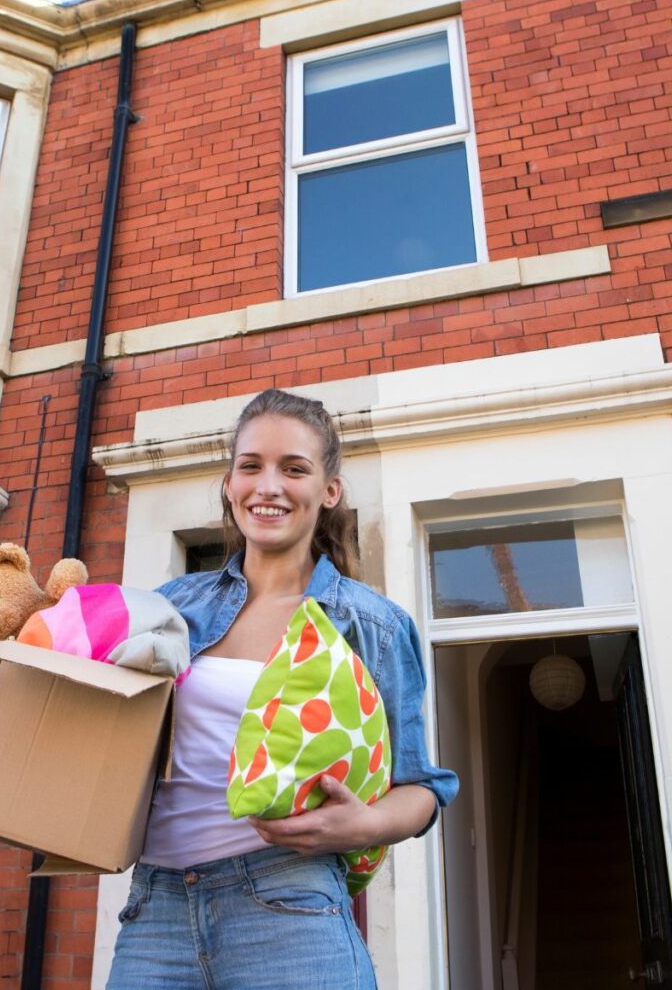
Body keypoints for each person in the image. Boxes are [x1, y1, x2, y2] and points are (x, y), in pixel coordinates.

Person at [106, 389, 458, 990]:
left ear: (328, 491)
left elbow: (421, 785)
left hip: (288, 904)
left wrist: (367, 827)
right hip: (155, 909)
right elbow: (103, 730)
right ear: (229, 482)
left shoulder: (370, 623)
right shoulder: (171, 606)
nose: (267, 486)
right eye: (251, 466)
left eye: (293, 469)